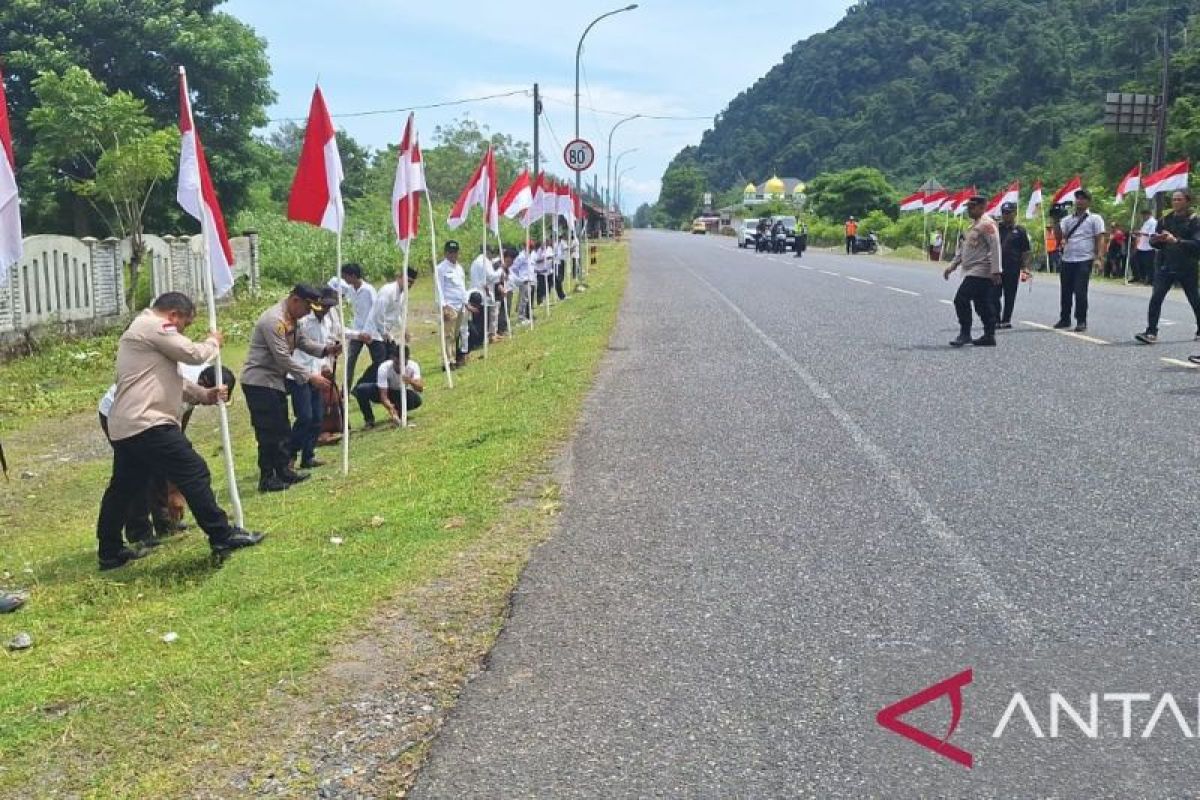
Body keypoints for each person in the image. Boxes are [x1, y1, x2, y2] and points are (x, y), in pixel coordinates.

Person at [95, 292, 263, 570]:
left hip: (127, 425)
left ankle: (110, 551)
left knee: (124, 489)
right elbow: (193, 354)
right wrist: (213, 342)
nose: (182, 331)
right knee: (193, 471)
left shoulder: (141, 334)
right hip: (148, 423)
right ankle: (221, 534)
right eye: (183, 324)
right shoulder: (154, 326)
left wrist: (205, 395)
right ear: (173, 315)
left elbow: (174, 380)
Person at [100, 363, 234, 545]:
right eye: (208, 399)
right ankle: (139, 533)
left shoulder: (203, 377)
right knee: (137, 473)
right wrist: (175, 492)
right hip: (117, 412)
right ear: (203, 385)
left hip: (146, 414)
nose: (205, 404)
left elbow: (177, 433)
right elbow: (172, 450)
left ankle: (165, 522)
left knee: (160, 462)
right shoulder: (180, 387)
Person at [241, 285, 339, 492]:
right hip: (260, 382)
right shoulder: (274, 321)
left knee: (282, 429)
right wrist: (310, 377)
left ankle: (284, 472)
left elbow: (301, 341)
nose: (309, 312)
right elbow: (283, 358)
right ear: (295, 300)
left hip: (274, 382)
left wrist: (325, 350)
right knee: (268, 431)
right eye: (306, 307)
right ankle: (267, 478)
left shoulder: (292, 318)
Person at [1136, 189, 1200, 345]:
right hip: (1165, 264)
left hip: (1187, 266)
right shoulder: (1164, 220)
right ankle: (1151, 332)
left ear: (1187, 201)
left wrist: (1176, 241)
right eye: (1174, 199)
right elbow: (1155, 244)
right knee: (1156, 298)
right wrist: (1156, 240)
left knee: (1195, 300)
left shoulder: (1194, 221)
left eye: (1179, 199)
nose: (1176, 202)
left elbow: (1197, 245)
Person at [287, 290, 338, 471]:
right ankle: (290, 455)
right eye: (324, 306)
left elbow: (319, 349)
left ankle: (308, 456)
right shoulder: (302, 322)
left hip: (317, 374)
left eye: (329, 307)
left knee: (317, 417)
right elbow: (295, 351)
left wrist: (326, 361)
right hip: (299, 375)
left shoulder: (326, 322)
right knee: (305, 417)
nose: (325, 310)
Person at [943, 195, 1002, 347]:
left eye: (972, 207)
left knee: (961, 299)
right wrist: (952, 266)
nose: (969, 210)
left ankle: (965, 333)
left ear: (982, 207)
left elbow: (995, 248)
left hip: (981, 269)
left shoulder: (987, 224)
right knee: (981, 303)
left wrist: (996, 271)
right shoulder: (973, 226)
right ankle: (989, 336)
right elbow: (964, 248)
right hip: (971, 269)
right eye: (968, 207)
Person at [1052, 189, 1105, 332]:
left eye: (1083, 199)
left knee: (1080, 291)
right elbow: (1058, 237)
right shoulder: (1068, 219)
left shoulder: (1095, 218)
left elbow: (1099, 238)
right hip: (1068, 258)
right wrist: (1055, 220)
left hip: (1084, 258)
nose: (1079, 201)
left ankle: (1081, 320)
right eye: (1078, 198)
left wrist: (1099, 258)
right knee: (1065, 291)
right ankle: (1065, 318)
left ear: (1088, 202)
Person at [328, 263, 380, 389]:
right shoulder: (350, 289)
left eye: (345, 276)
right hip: (357, 330)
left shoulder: (368, 290)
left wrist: (370, 330)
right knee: (350, 361)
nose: (344, 279)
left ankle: (375, 386)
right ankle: (345, 390)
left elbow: (375, 310)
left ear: (353, 276)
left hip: (371, 331)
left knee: (378, 361)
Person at [354, 344, 424, 428]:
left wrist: (410, 381)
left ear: (408, 359)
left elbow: (420, 388)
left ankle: (400, 413)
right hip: (384, 391)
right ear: (393, 358)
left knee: (416, 400)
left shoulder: (413, 366)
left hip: (400, 393)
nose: (399, 367)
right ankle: (369, 420)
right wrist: (390, 408)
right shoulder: (384, 368)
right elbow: (383, 395)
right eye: (397, 363)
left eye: (403, 364)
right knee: (361, 389)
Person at [991, 202, 1032, 329]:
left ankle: (1006, 319)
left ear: (1014, 213)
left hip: (1012, 267)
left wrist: (1025, 268)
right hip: (997, 267)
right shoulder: (996, 228)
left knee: (1010, 295)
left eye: (1008, 212)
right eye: (1003, 212)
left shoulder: (1020, 231)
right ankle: (996, 319)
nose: (1005, 215)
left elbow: (1025, 251)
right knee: (994, 294)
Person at [436, 240, 469, 368]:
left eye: (455, 252)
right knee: (448, 335)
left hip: (460, 305)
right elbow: (439, 289)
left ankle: (453, 358)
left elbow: (462, 286)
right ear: (445, 253)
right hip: (449, 305)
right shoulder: (441, 268)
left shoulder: (459, 268)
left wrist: (466, 303)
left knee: (455, 334)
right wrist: (443, 306)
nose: (453, 255)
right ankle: (448, 362)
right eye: (450, 252)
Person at [367, 267, 419, 346]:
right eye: (407, 281)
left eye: (411, 282)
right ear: (399, 277)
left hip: (386, 332)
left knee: (394, 354)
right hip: (375, 332)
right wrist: (383, 333)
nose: (409, 284)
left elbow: (396, 315)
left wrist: (404, 330)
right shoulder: (388, 291)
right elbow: (378, 315)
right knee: (383, 356)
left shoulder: (403, 294)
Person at [512, 244, 534, 325]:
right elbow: (514, 268)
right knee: (523, 300)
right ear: (525, 247)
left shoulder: (530, 255)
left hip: (530, 279)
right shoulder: (521, 256)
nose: (531, 249)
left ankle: (523, 316)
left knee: (526, 299)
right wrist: (520, 278)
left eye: (532, 248)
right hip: (524, 280)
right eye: (530, 247)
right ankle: (521, 317)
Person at [1134, 207, 1157, 284]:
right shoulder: (1145, 223)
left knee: (1149, 265)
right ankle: (1141, 278)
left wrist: (1141, 233)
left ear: (1148, 215)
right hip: (1141, 246)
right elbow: (1142, 233)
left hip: (1149, 247)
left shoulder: (1153, 222)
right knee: (1136, 261)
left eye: (1144, 215)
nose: (1143, 217)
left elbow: (1153, 234)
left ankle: (1151, 280)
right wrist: (1136, 234)